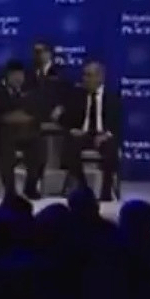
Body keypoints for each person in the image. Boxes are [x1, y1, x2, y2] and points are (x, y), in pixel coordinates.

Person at [62, 61, 121, 201]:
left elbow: (117, 124)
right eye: (84, 75)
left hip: (103, 136)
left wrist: (106, 135)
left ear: (100, 77)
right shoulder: (77, 96)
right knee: (69, 146)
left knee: (111, 149)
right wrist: (72, 130)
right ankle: (83, 187)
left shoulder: (112, 97)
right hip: (84, 135)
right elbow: (67, 120)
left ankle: (106, 192)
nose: (85, 79)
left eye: (89, 75)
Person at [0, 60, 45, 199]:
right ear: (7, 76)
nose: (18, 78)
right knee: (6, 147)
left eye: (20, 75)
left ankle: (30, 187)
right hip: (1, 135)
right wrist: (5, 118)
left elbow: (39, 113)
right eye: (14, 75)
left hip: (26, 134)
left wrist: (26, 118)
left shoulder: (30, 93)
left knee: (39, 146)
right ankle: (10, 190)